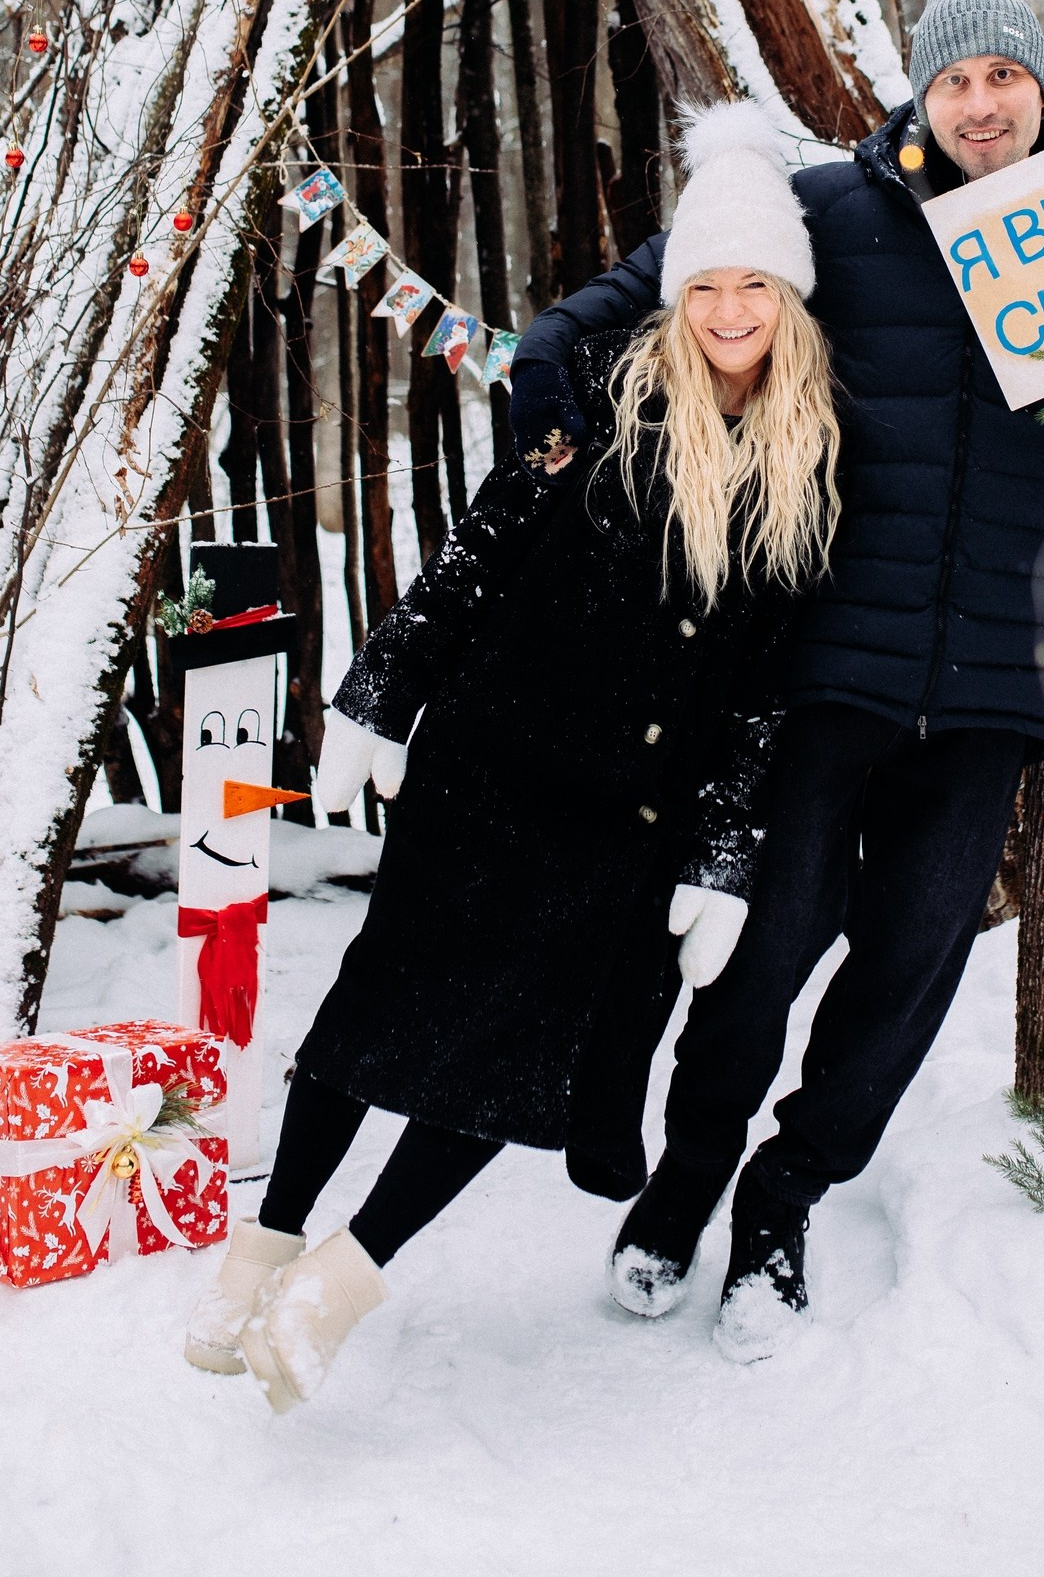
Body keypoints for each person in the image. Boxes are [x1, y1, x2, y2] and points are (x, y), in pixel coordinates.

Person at [507, 0, 1044, 1362]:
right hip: (826, 669)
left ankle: (782, 1208)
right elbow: (676, 286)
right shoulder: (831, 214)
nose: (981, 105)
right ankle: (682, 1194)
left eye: (1003, 79)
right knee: (761, 958)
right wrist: (553, 350)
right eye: (956, 81)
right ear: (922, 92)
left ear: (1035, 89)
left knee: (904, 972)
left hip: (984, 694)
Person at [182, 105, 841, 1413]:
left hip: (626, 819)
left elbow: (769, 690)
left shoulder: (813, 470)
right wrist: (379, 696)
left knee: (514, 1059)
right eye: (702, 283)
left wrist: (718, 863)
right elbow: (475, 558)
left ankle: (337, 1286)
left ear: (791, 296)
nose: (724, 310)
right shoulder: (593, 402)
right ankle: (266, 1243)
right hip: (491, 761)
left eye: (751, 284)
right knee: (386, 1003)